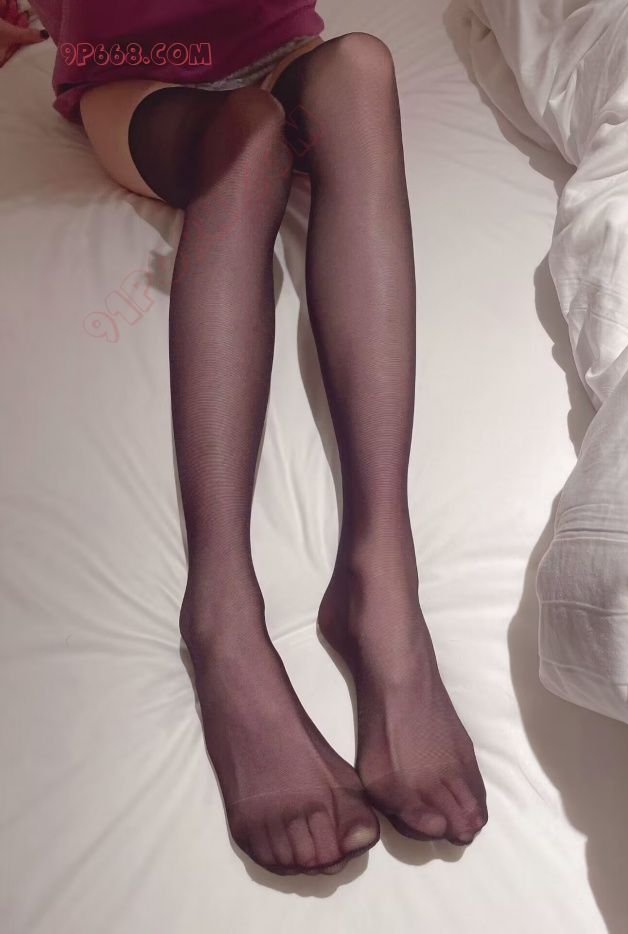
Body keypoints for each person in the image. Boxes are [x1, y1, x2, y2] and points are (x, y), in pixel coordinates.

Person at [18, 0, 488, 877]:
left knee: (360, 66)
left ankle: (381, 581)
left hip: (278, 50)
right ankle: (222, 614)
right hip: (139, 83)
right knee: (247, 132)